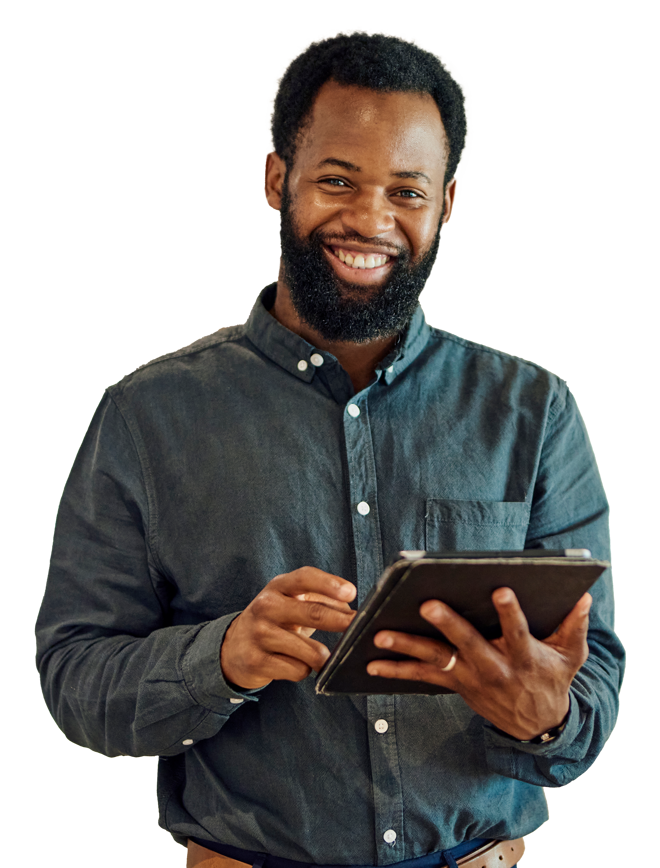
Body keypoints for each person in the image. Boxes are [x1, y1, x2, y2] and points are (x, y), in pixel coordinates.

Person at [34, 28, 625, 868]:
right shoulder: (144, 416)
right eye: (338, 180)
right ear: (277, 178)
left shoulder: (536, 410)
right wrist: (222, 658)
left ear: (449, 201)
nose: (370, 221)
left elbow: (594, 684)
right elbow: (73, 680)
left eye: (407, 193)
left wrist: (549, 714)